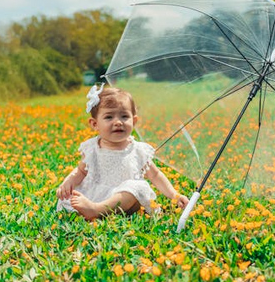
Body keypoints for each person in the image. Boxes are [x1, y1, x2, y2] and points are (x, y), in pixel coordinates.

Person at [56, 84, 189, 220]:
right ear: (95, 124)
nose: (118, 122)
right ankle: (96, 208)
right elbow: (80, 171)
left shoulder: (138, 150)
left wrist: (174, 195)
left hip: (127, 200)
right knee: (71, 198)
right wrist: (68, 182)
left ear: (134, 120)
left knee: (137, 187)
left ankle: (97, 210)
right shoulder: (92, 148)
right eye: (109, 117)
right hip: (98, 195)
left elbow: (155, 175)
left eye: (124, 116)